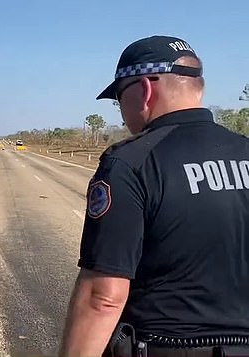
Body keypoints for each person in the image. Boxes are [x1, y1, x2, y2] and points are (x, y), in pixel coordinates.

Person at [58, 35, 249, 357]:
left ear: (145, 89)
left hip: (166, 344)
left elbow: (103, 297)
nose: (122, 111)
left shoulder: (130, 163)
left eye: (120, 98)